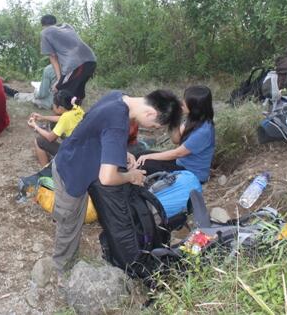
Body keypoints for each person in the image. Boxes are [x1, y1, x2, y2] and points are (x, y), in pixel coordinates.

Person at [51, 89, 182, 272]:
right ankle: (60, 267)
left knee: (72, 218)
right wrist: (131, 176)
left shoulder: (118, 96)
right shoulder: (118, 123)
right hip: (71, 173)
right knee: (69, 223)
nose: (151, 129)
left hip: (74, 156)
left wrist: (121, 151)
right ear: (151, 113)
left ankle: (64, 253)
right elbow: (107, 178)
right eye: (154, 126)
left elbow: (92, 125)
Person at [135, 85, 215, 183]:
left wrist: (149, 157)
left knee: (144, 163)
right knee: (140, 155)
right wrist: (175, 119)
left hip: (192, 174)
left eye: (186, 101)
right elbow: (176, 140)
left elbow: (177, 153)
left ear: (195, 106)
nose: (182, 102)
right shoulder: (193, 119)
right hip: (181, 162)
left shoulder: (204, 131)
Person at [40, 14, 96, 102]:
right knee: (76, 90)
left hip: (77, 64)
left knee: (60, 93)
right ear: (55, 23)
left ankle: (63, 107)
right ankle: (76, 104)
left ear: (43, 26)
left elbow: (53, 58)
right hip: (91, 60)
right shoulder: (66, 26)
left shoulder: (45, 32)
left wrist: (59, 81)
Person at [27, 90, 85, 166]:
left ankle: (46, 170)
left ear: (60, 108)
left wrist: (35, 126)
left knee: (39, 141)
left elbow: (50, 138)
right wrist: (42, 117)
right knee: (53, 124)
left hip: (72, 153)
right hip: (81, 147)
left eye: (53, 104)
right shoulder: (76, 108)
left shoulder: (65, 118)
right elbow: (61, 119)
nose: (52, 106)